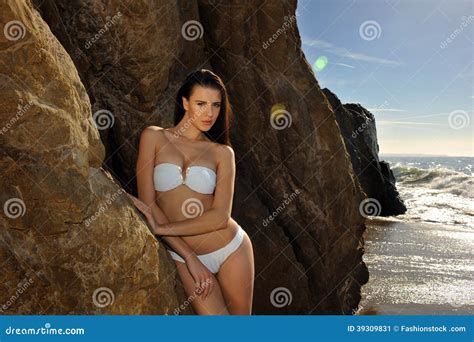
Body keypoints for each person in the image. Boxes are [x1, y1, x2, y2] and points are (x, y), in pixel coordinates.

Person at [129, 69, 254, 315]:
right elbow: (149, 204)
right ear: (185, 102)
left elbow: (220, 216)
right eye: (201, 103)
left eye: (216, 105)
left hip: (232, 248)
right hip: (180, 252)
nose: (210, 113)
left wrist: (162, 228)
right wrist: (190, 257)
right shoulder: (153, 137)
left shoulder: (222, 153)